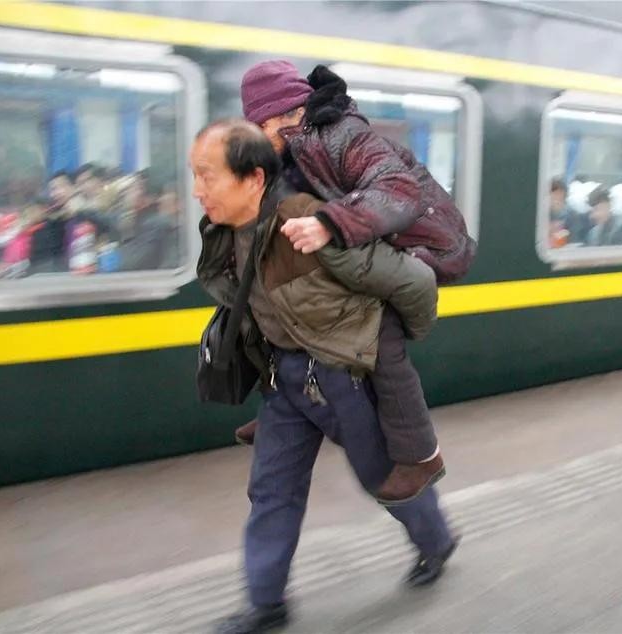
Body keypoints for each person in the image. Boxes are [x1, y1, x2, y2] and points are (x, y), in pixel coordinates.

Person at [191, 119, 458, 634]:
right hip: (284, 380)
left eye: (208, 175)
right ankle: (266, 603)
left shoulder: (307, 223)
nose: (198, 190)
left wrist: (394, 344)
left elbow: (415, 282)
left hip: (340, 377)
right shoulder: (224, 233)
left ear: (253, 178)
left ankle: (436, 541)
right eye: (195, 176)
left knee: (381, 476)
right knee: (271, 489)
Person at [235, 60, 476, 504]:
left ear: (285, 114)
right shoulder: (290, 147)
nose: (257, 137)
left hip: (416, 243)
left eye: (260, 126)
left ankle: (422, 455)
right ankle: (278, 410)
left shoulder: (343, 134)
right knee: (281, 303)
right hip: (367, 238)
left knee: (381, 336)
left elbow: (398, 189)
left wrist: (329, 223)